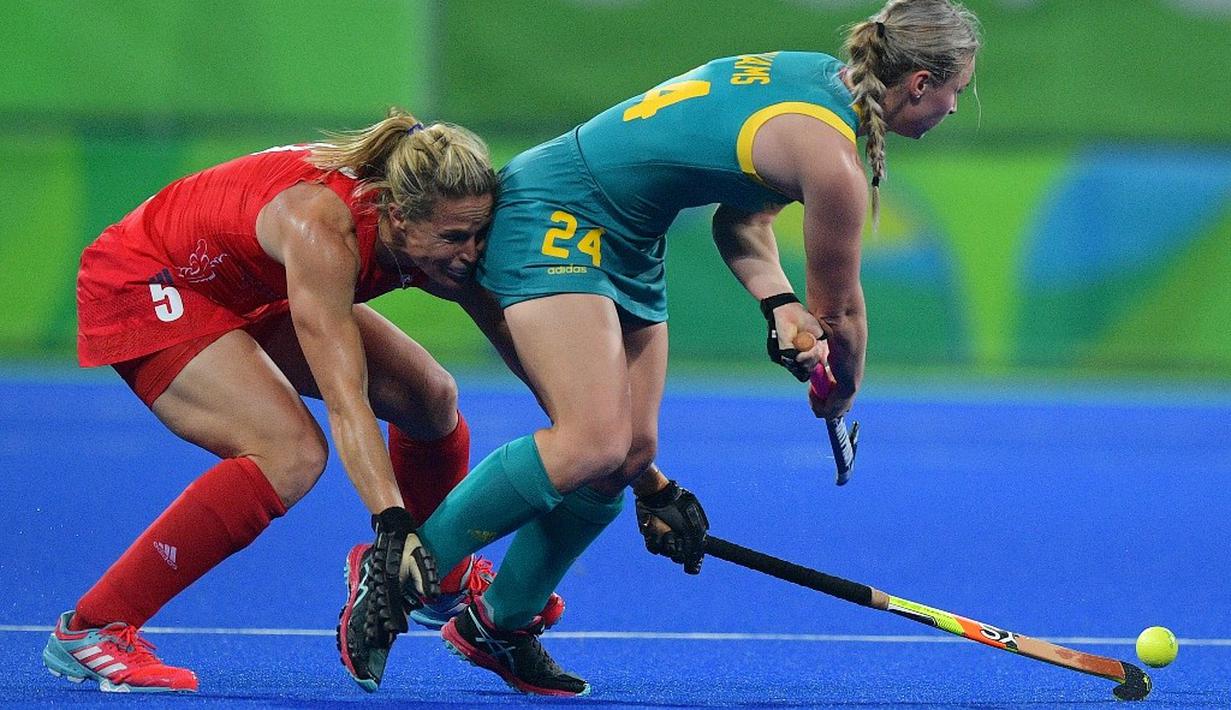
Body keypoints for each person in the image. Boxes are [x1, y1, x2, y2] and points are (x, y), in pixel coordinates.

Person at [340, 0, 982, 697]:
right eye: (957, 89)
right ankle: (397, 574)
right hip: (561, 209)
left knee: (629, 454)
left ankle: (499, 624)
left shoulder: (817, 86)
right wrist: (839, 386)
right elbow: (843, 314)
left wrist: (778, 305)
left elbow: (743, 224)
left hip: (631, 238)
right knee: (590, 441)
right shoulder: (832, 161)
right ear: (919, 83)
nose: (955, 106)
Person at [42, 108, 536, 693]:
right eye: (456, 238)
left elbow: (509, 331)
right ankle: (93, 628)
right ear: (398, 219)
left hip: (250, 281)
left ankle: (440, 578)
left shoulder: (432, 222)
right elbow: (345, 399)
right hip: (151, 279)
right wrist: (391, 523)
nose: (472, 253)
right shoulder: (322, 232)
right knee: (291, 451)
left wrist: (619, 450)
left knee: (431, 397)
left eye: (480, 234)